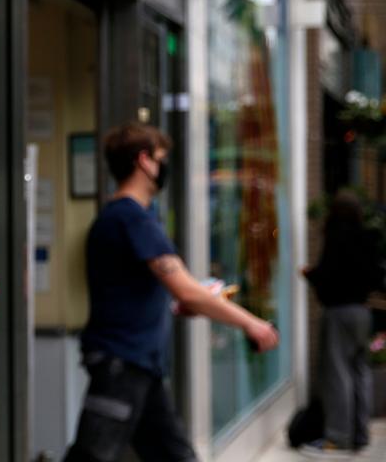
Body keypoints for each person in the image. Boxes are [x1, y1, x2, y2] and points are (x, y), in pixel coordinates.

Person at [65, 123, 280, 462]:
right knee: (94, 456)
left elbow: (142, 292)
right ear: (144, 161)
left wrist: (177, 306)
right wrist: (251, 323)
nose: (164, 165)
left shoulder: (127, 217)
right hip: (123, 364)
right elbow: (187, 290)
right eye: (161, 157)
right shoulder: (131, 218)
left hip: (139, 365)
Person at [302, 190, 383, 456]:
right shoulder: (368, 238)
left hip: (339, 312)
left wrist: (310, 274)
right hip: (362, 312)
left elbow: (327, 275)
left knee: (338, 373)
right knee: (360, 372)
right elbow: (376, 277)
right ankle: (360, 433)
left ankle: (338, 437)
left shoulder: (336, 237)